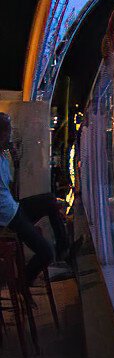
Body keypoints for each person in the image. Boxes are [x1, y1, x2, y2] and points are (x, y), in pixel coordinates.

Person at [0, 113, 54, 293]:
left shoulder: (2, 158)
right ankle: (21, 284)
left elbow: (12, 193)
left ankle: (64, 248)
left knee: (49, 201)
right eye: (7, 131)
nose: (9, 137)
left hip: (13, 210)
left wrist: (16, 163)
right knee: (46, 253)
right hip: (8, 217)